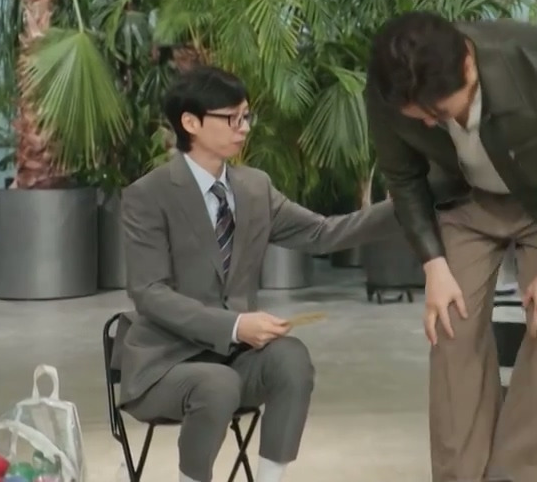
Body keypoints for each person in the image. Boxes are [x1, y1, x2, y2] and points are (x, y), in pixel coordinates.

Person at [116, 64, 400, 482]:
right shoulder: (148, 195)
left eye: (246, 116)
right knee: (215, 384)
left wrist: (409, 204)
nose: (244, 128)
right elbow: (149, 292)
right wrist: (235, 326)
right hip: (165, 367)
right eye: (232, 118)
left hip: (235, 363)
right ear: (191, 122)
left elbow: (322, 233)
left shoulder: (255, 188)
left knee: (291, 359)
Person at [364, 11, 537, 482]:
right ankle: (461, 473)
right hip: (466, 202)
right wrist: (434, 264)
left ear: (469, 65)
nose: (431, 123)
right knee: (449, 327)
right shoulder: (390, 91)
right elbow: (404, 178)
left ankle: (527, 474)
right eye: (420, 118)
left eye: (440, 113)